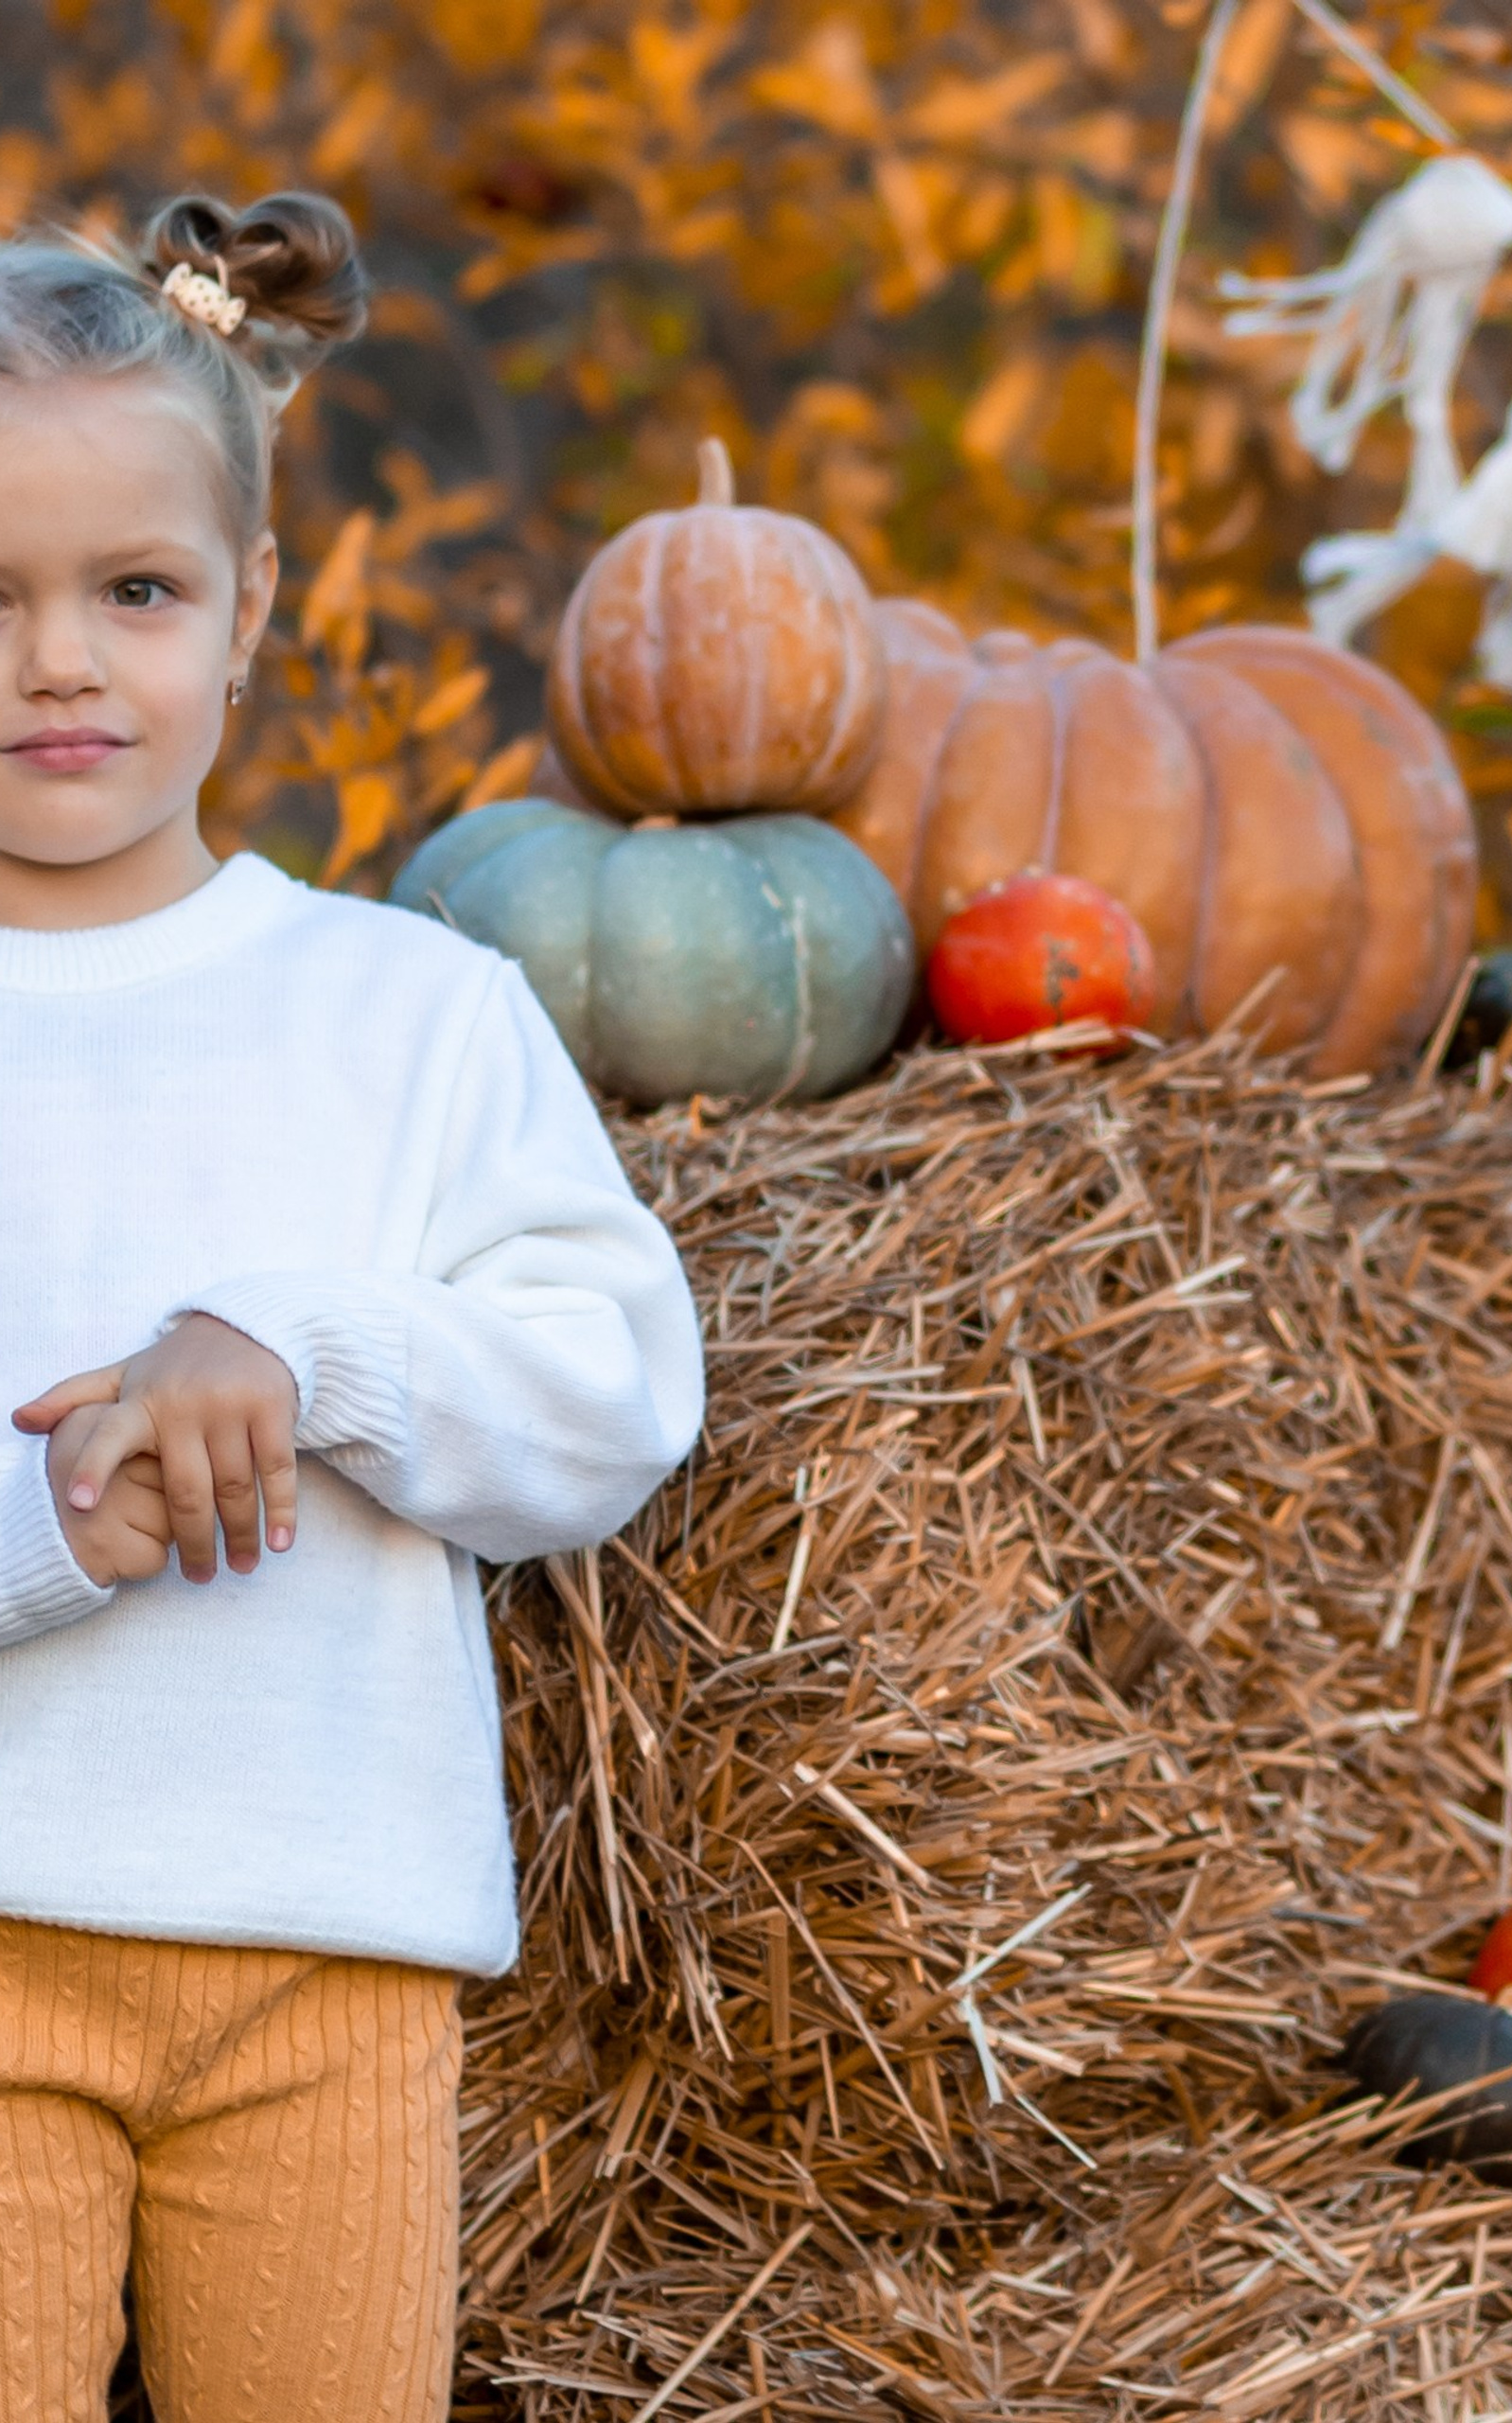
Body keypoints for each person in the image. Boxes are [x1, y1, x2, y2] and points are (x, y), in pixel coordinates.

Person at [0, 192, 704, 2421]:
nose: (59, 662)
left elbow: (612, 1393)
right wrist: (47, 1536)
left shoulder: (414, 1012)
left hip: (333, 1968)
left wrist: (310, 1346)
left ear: (251, 606)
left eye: (134, 590)